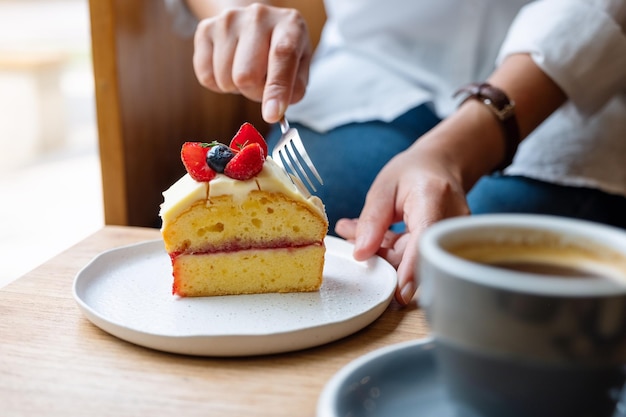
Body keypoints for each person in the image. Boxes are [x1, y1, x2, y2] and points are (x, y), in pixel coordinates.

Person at [164, 0, 626, 305]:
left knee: (468, 263)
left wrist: (456, 149)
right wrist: (245, 16)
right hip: (371, 72)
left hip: (562, 95)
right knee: (339, 211)